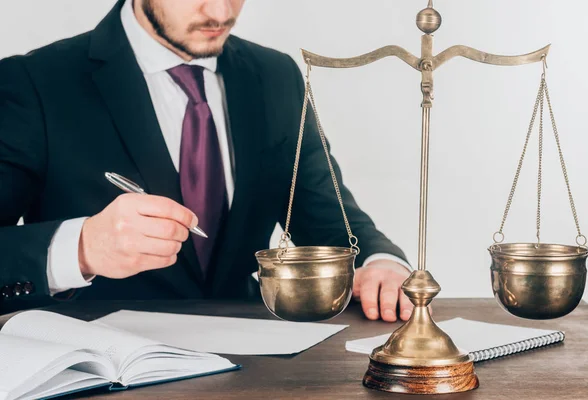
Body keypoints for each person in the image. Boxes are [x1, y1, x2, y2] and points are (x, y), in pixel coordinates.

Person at [0, 0, 414, 322]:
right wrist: (82, 249)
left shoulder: (275, 75)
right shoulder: (34, 83)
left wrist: (381, 262)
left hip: (252, 366)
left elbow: (327, 216)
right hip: (99, 367)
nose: (220, 12)